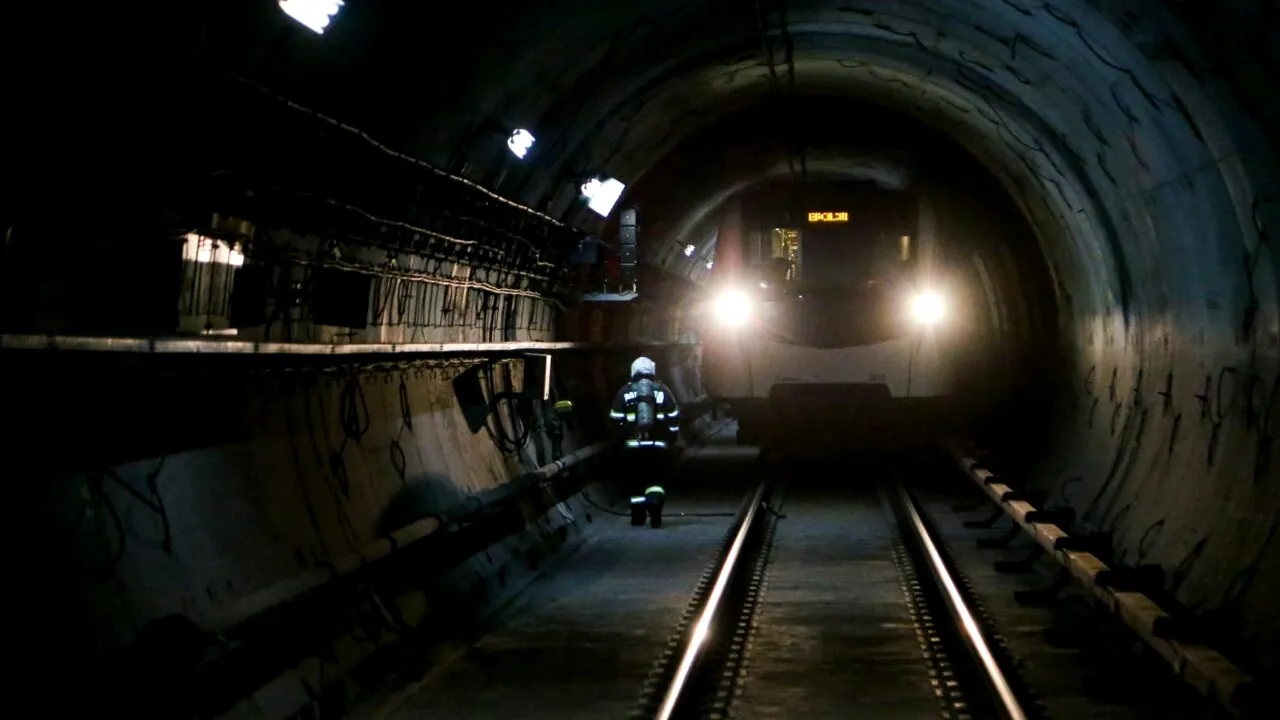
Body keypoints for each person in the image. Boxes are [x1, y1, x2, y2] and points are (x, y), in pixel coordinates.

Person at [609, 356, 681, 527]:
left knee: (635, 482)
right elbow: (674, 417)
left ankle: (637, 517)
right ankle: (655, 510)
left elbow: (614, 418)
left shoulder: (624, 392)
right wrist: (671, 437)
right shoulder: (663, 390)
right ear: (652, 371)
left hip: (633, 448)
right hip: (658, 448)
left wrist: (622, 436)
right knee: (656, 480)